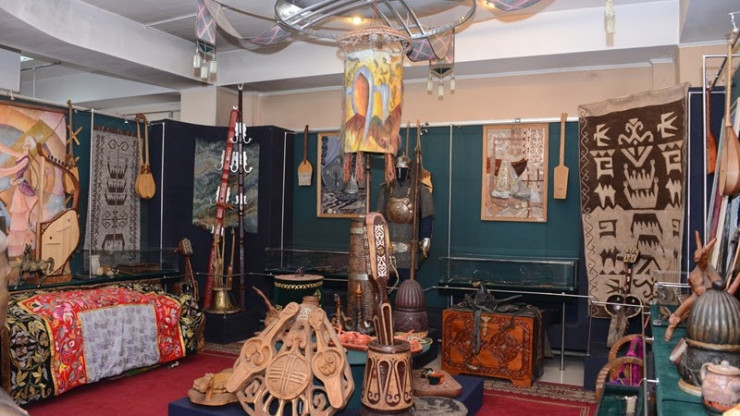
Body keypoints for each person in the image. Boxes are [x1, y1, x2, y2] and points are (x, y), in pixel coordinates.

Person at [376, 154, 434, 280]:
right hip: (388, 251)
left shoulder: (420, 190)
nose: (400, 172)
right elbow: (379, 220)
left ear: (409, 171)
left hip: (409, 254)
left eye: (403, 169)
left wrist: (425, 240)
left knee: (408, 289)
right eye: (397, 169)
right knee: (387, 287)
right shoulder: (385, 189)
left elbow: (426, 218)